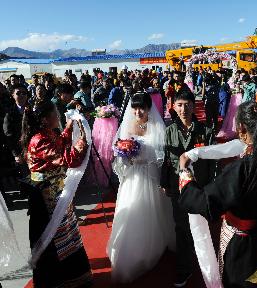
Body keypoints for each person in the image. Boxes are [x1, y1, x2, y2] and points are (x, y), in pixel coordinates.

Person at [178, 101, 257, 288]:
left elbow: (204, 203)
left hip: (241, 244)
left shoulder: (242, 169)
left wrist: (185, 175)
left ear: (242, 129)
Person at [20, 101, 92, 287]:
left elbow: (60, 141)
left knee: (66, 232)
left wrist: (69, 129)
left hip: (56, 189)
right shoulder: (39, 139)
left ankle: (72, 276)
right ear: (45, 119)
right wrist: (80, 145)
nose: (59, 117)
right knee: (52, 236)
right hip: (44, 194)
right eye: (55, 114)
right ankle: (55, 280)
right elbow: (66, 158)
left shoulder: (47, 134)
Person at [107, 92, 174, 283]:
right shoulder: (127, 126)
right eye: (134, 108)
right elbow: (120, 156)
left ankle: (154, 244)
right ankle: (130, 251)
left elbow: (162, 156)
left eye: (141, 108)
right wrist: (125, 156)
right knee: (132, 211)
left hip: (151, 176)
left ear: (149, 108)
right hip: (133, 177)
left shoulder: (157, 127)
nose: (138, 112)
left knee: (153, 211)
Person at [160, 89, 215, 287]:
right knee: (181, 228)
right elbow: (167, 161)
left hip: (199, 188)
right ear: (174, 106)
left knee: (200, 228)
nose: (184, 109)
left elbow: (212, 163)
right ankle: (184, 268)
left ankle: (204, 263)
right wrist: (165, 183)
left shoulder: (206, 131)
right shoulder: (169, 131)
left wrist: (210, 188)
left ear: (194, 106)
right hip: (178, 188)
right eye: (180, 105)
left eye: (187, 104)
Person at [3, 84, 28, 165]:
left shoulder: (33, 110)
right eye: (18, 93)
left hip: (33, 150)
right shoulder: (9, 113)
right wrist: (16, 154)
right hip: (19, 152)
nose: (21, 95)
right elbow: (8, 135)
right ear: (13, 95)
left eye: (24, 93)